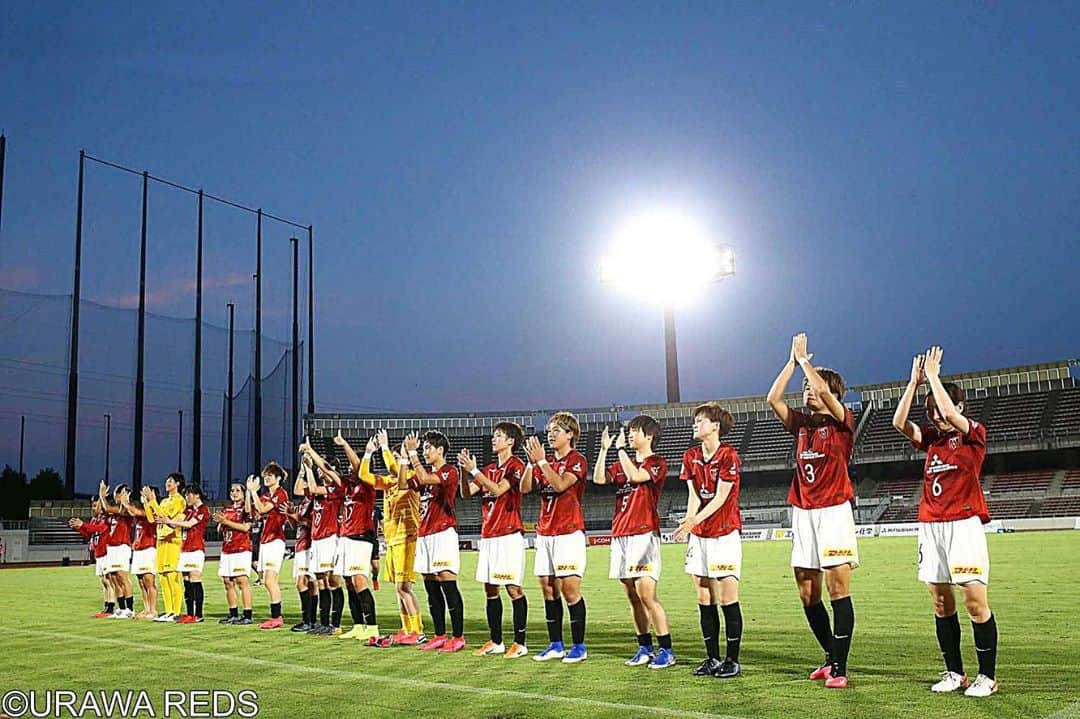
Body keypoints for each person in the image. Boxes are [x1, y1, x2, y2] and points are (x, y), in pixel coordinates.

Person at [891, 348, 999, 697]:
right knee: (940, 602)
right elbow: (898, 423)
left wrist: (935, 378)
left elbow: (951, 413)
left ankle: (988, 676)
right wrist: (913, 383)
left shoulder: (972, 434)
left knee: (974, 601)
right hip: (930, 525)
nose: (935, 416)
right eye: (931, 412)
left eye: (939, 409)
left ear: (958, 408)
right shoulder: (933, 441)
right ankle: (955, 672)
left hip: (963, 523)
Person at [767, 333, 858, 689]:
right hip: (803, 513)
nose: (807, 389)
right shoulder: (802, 425)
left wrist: (808, 362)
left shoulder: (841, 422)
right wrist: (792, 361)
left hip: (833, 511)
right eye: (804, 385)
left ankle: (841, 668)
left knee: (838, 590)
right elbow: (772, 398)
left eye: (812, 385)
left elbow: (827, 396)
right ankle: (830, 656)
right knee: (807, 592)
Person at [594, 416, 673, 669]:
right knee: (632, 595)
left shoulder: (656, 462)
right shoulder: (621, 463)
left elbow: (637, 477)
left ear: (649, 436)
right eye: (627, 432)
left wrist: (618, 450)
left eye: (633, 431)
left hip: (643, 533)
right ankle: (644, 647)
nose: (628, 436)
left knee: (647, 595)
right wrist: (605, 450)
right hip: (621, 534)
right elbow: (598, 479)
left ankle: (667, 650)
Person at [674, 402, 745, 679]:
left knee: (728, 598)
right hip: (700, 535)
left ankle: (732, 660)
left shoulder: (729, 456)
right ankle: (712, 658)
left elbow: (721, 497)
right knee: (704, 596)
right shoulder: (690, 455)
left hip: (724, 532)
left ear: (715, 426)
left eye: (700, 421)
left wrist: (695, 520)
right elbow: (694, 494)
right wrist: (689, 523)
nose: (695, 425)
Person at [459, 421, 530, 659]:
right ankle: (496, 641)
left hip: (508, 534)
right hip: (488, 535)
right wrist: (463, 470)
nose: (494, 439)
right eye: (494, 435)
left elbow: (499, 490)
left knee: (512, 588)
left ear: (510, 441)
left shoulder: (516, 465)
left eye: (499, 436)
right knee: (490, 589)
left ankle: (520, 642)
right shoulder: (488, 468)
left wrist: (474, 470)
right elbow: (466, 492)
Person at [524, 411, 589, 664]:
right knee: (548, 589)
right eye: (549, 431)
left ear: (570, 434)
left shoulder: (577, 460)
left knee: (569, 590)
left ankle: (579, 646)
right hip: (545, 533)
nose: (550, 434)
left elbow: (561, 485)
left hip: (568, 532)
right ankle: (555, 644)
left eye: (556, 431)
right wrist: (532, 463)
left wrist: (541, 463)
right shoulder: (546, 461)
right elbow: (525, 488)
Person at [403, 430, 465, 653]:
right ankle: (439, 635)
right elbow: (403, 484)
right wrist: (404, 458)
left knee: (448, 584)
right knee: (431, 587)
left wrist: (413, 455)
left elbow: (425, 478)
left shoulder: (449, 471)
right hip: (425, 533)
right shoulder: (425, 473)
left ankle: (458, 637)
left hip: (443, 532)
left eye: (428, 448)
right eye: (423, 448)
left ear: (440, 450)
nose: (425, 451)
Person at [361, 432, 425, 646]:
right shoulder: (389, 483)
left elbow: (396, 470)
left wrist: (386, 448)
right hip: (392, 541)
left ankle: (417, 631)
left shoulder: (411, 477)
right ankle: (407, 628)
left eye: (399, 458)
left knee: (404, 587)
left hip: (407, 538)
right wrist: (369, 453)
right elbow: (364, 476)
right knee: (399, 590)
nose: (396, 462)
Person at [331, 431, 382, 641]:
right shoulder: (348, 487)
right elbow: (329, 473)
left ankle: (372, 626)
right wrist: (310, 457)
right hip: (345, 537)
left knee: (360, 581)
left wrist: (344, 444)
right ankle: (358, 624)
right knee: (349, 582)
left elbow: (359, 466)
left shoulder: (368, 484)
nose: (349, 468)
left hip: (361, 537)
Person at [302, 442, 347, 636]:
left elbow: (312, 488)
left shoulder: (336, 489)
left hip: (331, 538)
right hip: (317, 540)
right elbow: (304, 490)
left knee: (332, 581)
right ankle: (324, 623)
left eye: (325, 470)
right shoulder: (319, 493)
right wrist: (306, 467)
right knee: (320, 581)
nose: (322, 473)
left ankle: (336, 625)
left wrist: (310, 467)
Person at [158, 484, 211, 623]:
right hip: (185, 548)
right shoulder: (187, 511)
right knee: (186, 581)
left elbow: (189, 524)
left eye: (189, 495)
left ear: (197, 495)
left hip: (196, 549)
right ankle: (189, 614)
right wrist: (165, 520)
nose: (187, 497)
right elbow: (176, 524)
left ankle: (198, 614)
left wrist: (169, 521)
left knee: (195, 579)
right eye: (186, 495)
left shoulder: (203, 510)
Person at [248, 462, 291, 629]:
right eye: (265, 475)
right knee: (267, 580)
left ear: (278, 478)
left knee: (270, 580)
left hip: (275, 539)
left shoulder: (280, 494)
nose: (266, 478)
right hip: (266, 540)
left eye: (270, 476)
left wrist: (253, 492)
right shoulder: (266, 495)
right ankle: (275, 615)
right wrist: (250, 494)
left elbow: (263, 509)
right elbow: (255, 511)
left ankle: (277, 617)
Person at [142, 473, 188, 622]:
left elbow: (165, 517)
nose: (167, 483)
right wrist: (147, 503)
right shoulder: (164, 501)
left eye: (170, 481)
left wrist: (153, 500)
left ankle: (176, 611)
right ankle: (168, 611)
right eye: (167, 480)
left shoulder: (179, 500)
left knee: (172, 577)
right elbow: (151, 519)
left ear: (178, 484)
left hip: (172, 541)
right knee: (163, 578)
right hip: (161, 542)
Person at [286, 453, 318, 632]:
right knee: (310, 583)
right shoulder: (304, 500)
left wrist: (307, 468)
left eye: (305, 481)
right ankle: (311, 620)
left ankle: (308, 620)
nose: (302, 484)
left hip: (310, 544)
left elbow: (312, 523)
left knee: (303, 583)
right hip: (301, 544)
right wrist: (291, 515)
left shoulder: (314, 500)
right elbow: (296, 523)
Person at [215, 481, 255, 625]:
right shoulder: (227, 509)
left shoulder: (246, 508)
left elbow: (245, 528)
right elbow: (222, 528)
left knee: (241, 581)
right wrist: (220, 524)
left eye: (238, 490)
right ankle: (233, 613)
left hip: (241, 549)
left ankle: (247, 614)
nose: (234, 493)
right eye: (232, 490)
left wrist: (225, 522)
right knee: (227, 582)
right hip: (227, 549)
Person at [69, 498, 114, 617]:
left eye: (95, 505)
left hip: (106, 551)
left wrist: (83, 524)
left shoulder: (106, 517)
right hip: (98, 552)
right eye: (93, 506)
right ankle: (106, 605)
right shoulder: (94, 519)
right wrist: (78, 528)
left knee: (108, 579)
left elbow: (100, 529)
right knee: (103, 581)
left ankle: (111, 606)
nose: (93, 508)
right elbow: (89, 534)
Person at [98, 481, 135, 618]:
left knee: (122, 577)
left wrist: (102, 496)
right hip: (112, 547)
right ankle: (122, 608)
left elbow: (107, 508)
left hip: (122, 546)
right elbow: (102, 509)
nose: (116, 496)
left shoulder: (126, 508)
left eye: (118, 494)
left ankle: (130, 609)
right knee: (114, 578)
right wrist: (101, 497)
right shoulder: (114, 510)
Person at [123, 485, 160, 619]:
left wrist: (125, 502)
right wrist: (126, 502)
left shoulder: (151, 512)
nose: (143, 497)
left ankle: (153, 610)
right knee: (141, 581)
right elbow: (133, 512)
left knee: (149, 580)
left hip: (148, 547)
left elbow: (135, 511)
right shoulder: (142, 511)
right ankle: (146, 609)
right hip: (138, 548)